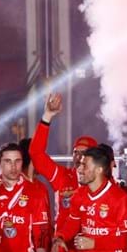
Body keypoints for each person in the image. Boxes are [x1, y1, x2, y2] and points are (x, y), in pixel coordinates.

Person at [29, 92, 98, 221]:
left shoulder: (103, 183)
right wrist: (47, 116)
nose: (79, 158)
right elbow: (36, 153)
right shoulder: (62, 177)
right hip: (63, 240)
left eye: (84, 154)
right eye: (76, 153)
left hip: (93, 240)